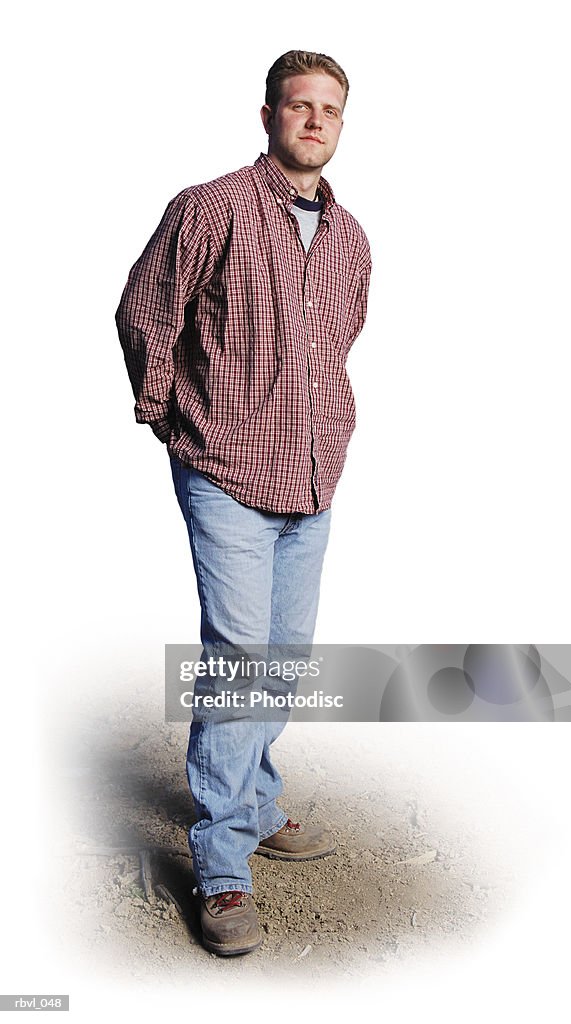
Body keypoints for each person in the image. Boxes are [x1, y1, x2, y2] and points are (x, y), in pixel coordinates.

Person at [115, 49, 372, 956]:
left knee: (285, 654)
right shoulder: (210, 207)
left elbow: (332, 347)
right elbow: (147, 315)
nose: (313, 121)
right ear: (267, 115)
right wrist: (173, 420)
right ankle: (222, 864)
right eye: (297, 105)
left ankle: (256, 801)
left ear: (341, 123)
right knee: (237, 654)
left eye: (329, 109)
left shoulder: (350, 239)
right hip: (225, 471)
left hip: (311, 479)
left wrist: (327, 433)